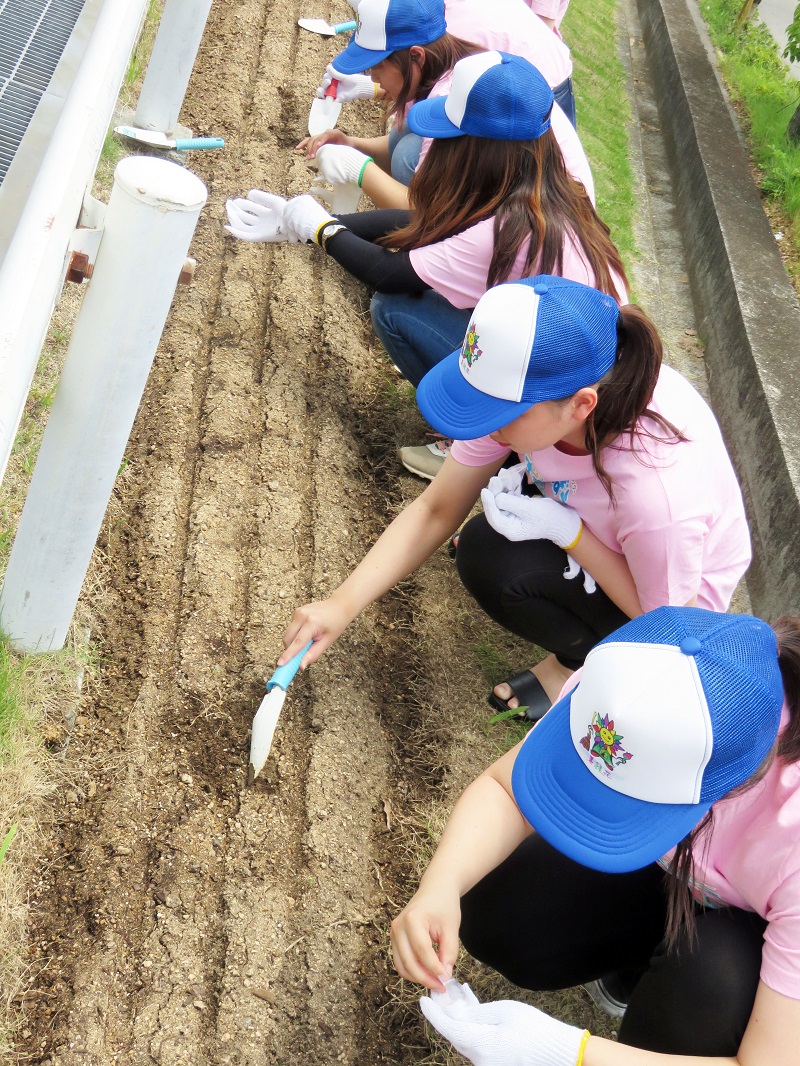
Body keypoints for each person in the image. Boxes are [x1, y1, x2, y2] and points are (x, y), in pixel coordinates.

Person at [276, 277, 750, 724]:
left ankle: (575, 662)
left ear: (582, 405)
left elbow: (670, 627)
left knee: (490, 556)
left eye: (500, 411)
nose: (484, 422)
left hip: (673, 604)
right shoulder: (548, 401)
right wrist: (341, 603)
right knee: (489, 542)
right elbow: (437, 508)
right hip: (597, 519)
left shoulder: (656, 495)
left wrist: (571, 534)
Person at [390, 605, 800, 1065]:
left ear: (722, 792)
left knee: (711, 984)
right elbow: (506, 788)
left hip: (750, 938)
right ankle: (633, 965)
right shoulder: (641, 675)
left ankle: (671, 992)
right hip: (683, 874)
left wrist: (573, 1055)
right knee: (501, 907)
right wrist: (440, 885)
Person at [226, 53, 624, 479]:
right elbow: (421, 225)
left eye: (452, 137)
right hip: (577, 369)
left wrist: (322, 231)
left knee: (394, 308)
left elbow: (391, 273)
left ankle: (486, 441)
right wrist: (307, 225)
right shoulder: (541, 187)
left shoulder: (508, 226)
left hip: (558, 397)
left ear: (479, 149)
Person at [299, 0, 579, 204]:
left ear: (417, 56)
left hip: (542, 93)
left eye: (376, 68)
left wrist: (360, 172)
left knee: (411, 155)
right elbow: (408, 89)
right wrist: (353, 145)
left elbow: (422, 211)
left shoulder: (457, 81)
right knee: (406, 137)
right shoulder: (433, 33)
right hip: (514, 89)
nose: (371, 76)